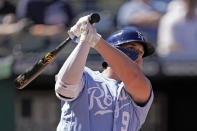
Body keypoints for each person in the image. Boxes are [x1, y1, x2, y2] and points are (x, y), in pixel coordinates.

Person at [55, 15, 155, 131]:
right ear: (111, 50)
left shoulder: (142, 86)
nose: (139, 57)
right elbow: (64, 87)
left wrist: (95, 39)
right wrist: (85, 41)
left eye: (142, 54)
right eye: (132, 49)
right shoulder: (86, 76)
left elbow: (133, 75)